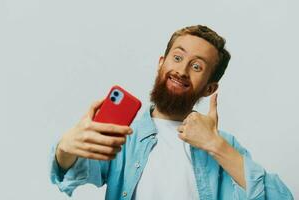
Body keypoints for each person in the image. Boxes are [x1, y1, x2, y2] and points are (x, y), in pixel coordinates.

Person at [50, 25, 293, 199]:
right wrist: (65, 149)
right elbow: (72, 173)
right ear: (161, 63)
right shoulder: (124, 133)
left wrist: (215, 146)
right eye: (177, 57)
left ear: (210, 88)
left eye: (197, 66)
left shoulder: (223, 146)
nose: (182, 70)